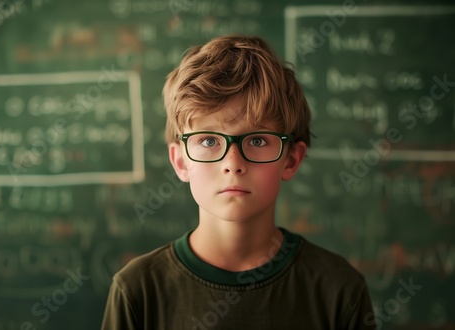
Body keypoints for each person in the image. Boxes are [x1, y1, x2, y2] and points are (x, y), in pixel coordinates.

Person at [101, 35, 375, 329]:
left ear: (291, 159)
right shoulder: (138, 291)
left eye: (257, 140)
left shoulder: (337, 290)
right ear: (180, 161)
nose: (233, 164)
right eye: (208, 140)